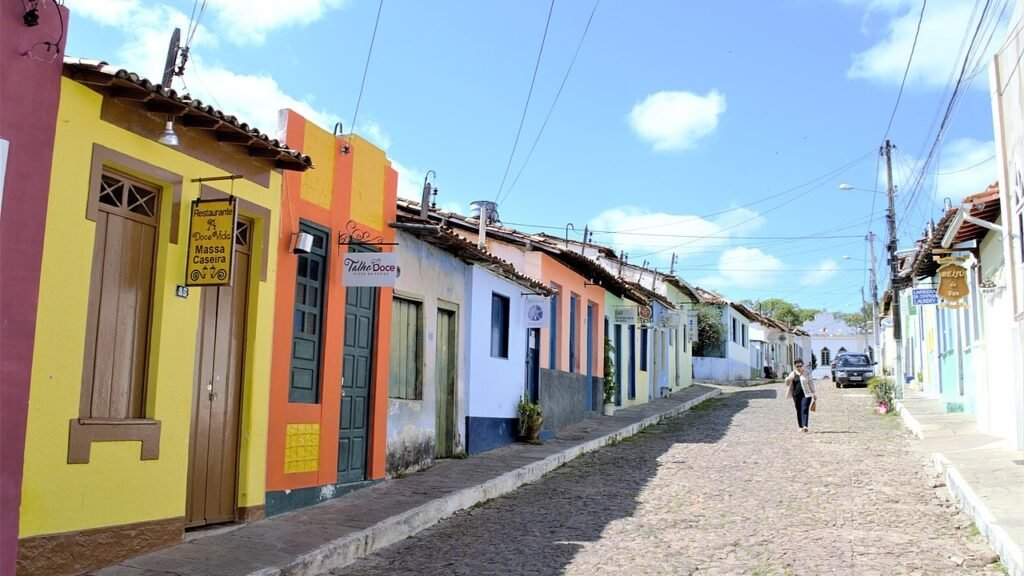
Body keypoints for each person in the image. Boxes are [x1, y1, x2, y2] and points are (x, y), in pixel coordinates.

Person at [785, 359, 817, 432]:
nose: (799, 367)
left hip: (807, 394)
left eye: (800, 366)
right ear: (795, 366)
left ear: (803, 365)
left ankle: (805, 426)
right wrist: (788, 379)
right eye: (797, 366)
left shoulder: (807, 373)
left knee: (804, 409)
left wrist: (813, 393)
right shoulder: (792, 374)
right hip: (796, 395)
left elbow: (811, 383)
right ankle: (800, 426)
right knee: (798, 410)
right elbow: (787, 384)